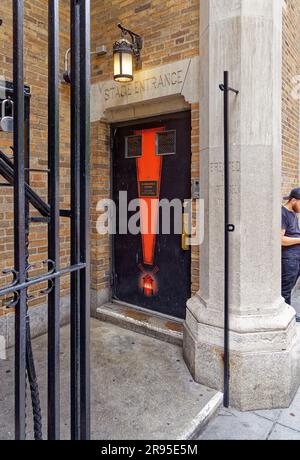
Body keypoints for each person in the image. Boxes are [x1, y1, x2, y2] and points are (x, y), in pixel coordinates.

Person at [281, 187, 300, 322]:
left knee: (290, 286)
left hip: (295, 256)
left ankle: (289, 314)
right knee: (285, 290)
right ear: (293, 200)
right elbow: (280, 240)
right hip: (289, 258)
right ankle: (286, 319)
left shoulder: (293, 212)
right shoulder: (282, 214)